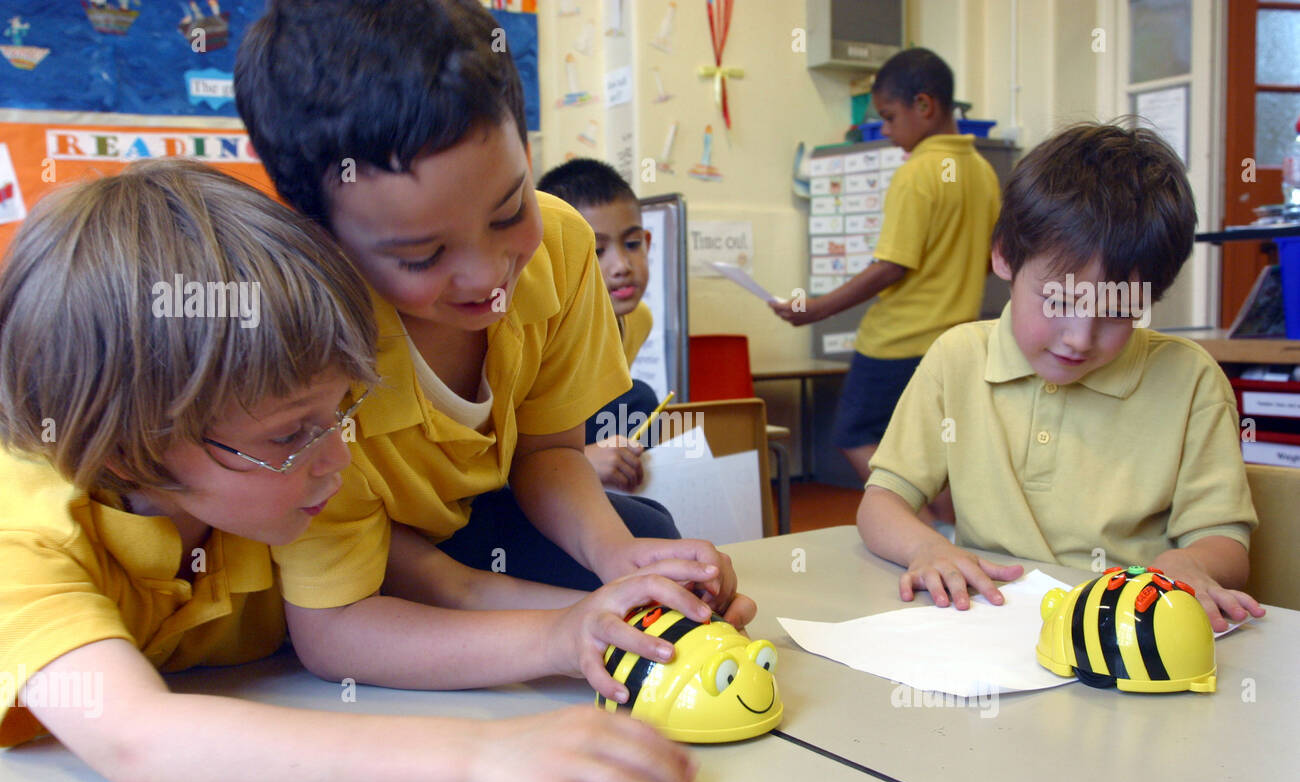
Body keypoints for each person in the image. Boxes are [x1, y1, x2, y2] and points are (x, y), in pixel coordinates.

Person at [0, 160, 701, 782]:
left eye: (339, 414)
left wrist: (624, 617)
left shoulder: (258, 490)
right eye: (291, 434)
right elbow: (143, 742)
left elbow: (445, 587)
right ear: (132, 452)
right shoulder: (20, 533)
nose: (339, 458)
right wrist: (483, 755)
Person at [234, 1, 754, 694]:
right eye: (420, 255)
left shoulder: (564, 246)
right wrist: (562, 634)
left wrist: (618, 559)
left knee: (640, 529)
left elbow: (548, 453)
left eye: (510, 211)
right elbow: (334, 629)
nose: (487, 278)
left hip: (475, 520)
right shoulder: (305, 339)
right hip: (364, 561)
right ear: (322, 236)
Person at [856, 123, 1266, 634]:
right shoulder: (958, 357)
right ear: (1004, 255)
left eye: (1116, 312)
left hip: (1124, 631)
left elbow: (1224, 539)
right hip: (990, 625)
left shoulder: (1191, 380)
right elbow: (882, 503)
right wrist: (926, 546)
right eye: (1061, 301)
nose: (1079, 336)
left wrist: (1192, 564)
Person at [771, 47, 1000, 491]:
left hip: (898, 340)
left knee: (854, 434)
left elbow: (891, 265)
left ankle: (918, 522)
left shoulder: (917, 173)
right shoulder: (983, 172)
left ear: (924, 106)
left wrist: (817, 309)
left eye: (890, 117)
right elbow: (991, 261)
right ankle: (947, 530)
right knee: (937, 448)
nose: (888, 131)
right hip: (956, 342)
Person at [537, 157, 659, 492]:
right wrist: (583, 459)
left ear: (647, 243)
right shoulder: (536, 331)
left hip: (576, 454)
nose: (622, 266)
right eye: (597, 250)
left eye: (632, 244)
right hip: (523, 471)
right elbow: (508, 446)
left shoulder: (638, 320)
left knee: (640, 402)